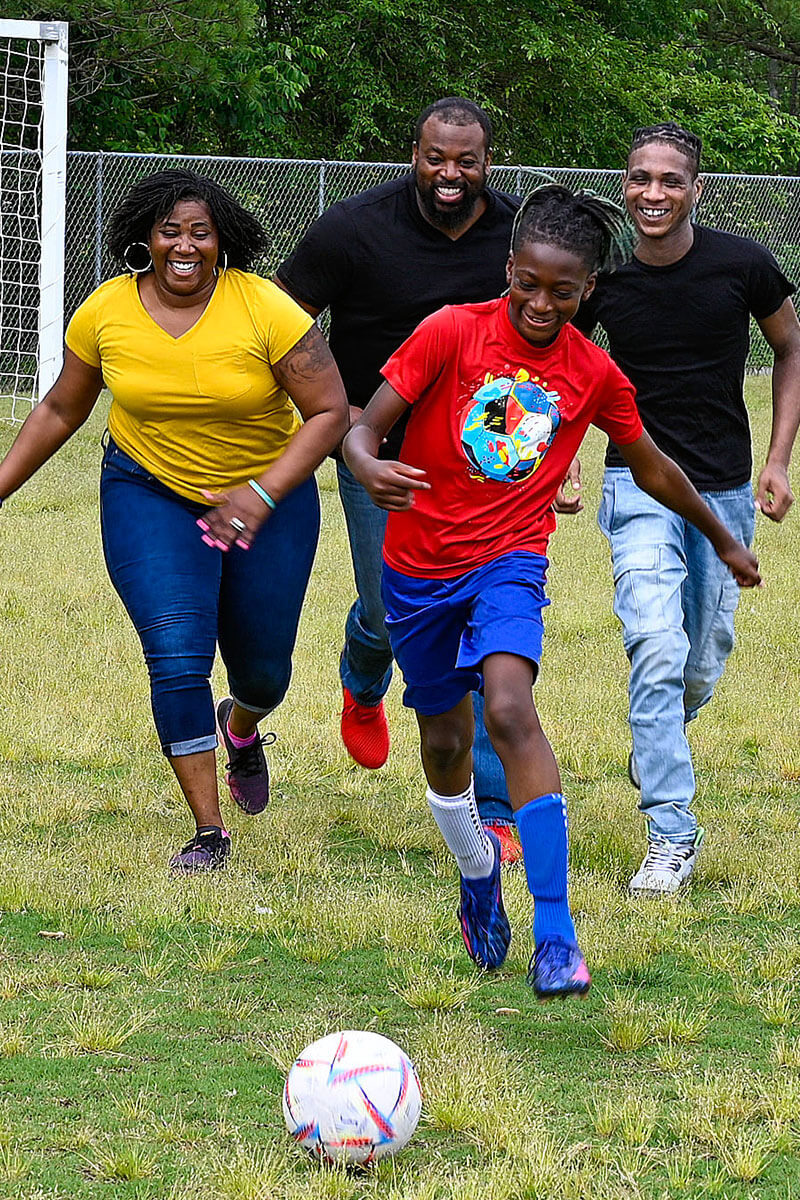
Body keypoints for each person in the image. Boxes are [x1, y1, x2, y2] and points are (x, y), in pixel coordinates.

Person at [342, 184, 761, 998]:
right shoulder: (449, 333)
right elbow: (365, 423)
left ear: (587, 291)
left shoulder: (592, 372)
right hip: (419, 570)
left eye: (561, 291)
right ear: (509, 269)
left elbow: (652, 466)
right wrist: (366, 463)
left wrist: (720, 537)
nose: (541, 302)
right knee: (446, 746)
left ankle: (558, 934)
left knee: (508, 708)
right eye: (527, 283)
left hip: (509, 561)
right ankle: (475, 874)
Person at [0, 169, 348, 872]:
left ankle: (242, 729)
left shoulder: (267, 309)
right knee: (176, 652)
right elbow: (62, 409)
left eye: (200, 232)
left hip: (266, 502)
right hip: (148, 492)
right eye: (170, 231)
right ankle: (209, 832)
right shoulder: (106, 311)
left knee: (263, 668)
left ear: (222, 241)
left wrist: (261, 491)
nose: (184, 246)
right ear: (145, 239)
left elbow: (330, 411)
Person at [276, 96, 528, 862]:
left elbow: (552, 332)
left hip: (485, 457)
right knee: (395, 611)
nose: (450, 174)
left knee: (481, 629)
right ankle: (362, 672)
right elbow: (282, 324)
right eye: (434, 157)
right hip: (375, 449)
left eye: (466, 161)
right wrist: (337, 412)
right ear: (412, 154)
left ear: (489, 162)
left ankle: (494, 808)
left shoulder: (516, 235)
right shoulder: (353, 228)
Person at [573, 122, 800, 895]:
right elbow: (550, 370)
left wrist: (777, 458)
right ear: (624, 185)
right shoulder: (602, 281)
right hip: (635, 486)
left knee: (698, 666)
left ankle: (657, 733)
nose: (653, 194)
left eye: (671, 180)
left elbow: (791, 348)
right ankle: (671, 833)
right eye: (640, 178)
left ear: (697, 189)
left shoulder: (744, 265)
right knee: (656, 648)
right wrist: (555, 464)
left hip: (725, 490)